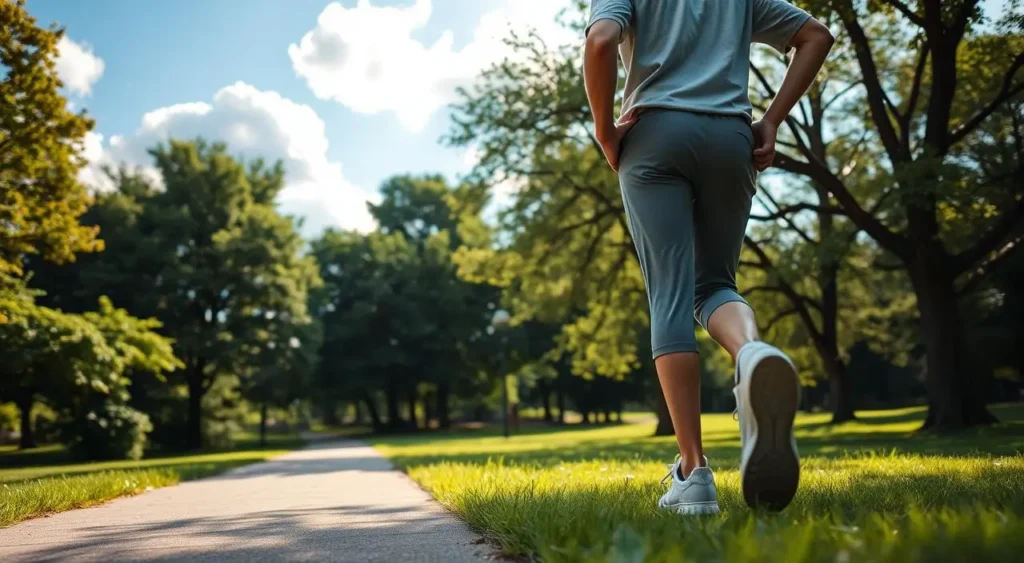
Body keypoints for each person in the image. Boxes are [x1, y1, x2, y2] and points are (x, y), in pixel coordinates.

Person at [583, 0, 834, 514]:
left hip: (653, 134)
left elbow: (602, 39)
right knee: (715, 286)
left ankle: (694, 472)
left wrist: (606, 131)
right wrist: (771, 119)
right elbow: (816, 35)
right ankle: (750, 353)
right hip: (729, 136)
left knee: (671, 298)